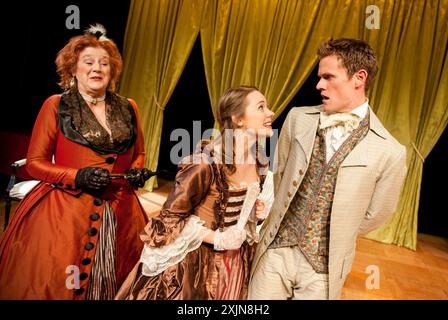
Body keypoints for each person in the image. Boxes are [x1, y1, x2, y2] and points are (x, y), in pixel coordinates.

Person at [0, 24, 153, 300]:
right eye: (89, 62)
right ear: (73, 69)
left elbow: (139, 152)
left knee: (118, 282)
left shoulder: (129, 107)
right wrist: (76, 175)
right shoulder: (56, 105)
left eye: (104, 63)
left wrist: (136, 171)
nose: (97, 68)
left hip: (122, 212)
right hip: (64, 213)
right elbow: (35, 162)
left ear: (112, 70)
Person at [249, 38, 407, 300]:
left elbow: (377, 213)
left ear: (359, 78)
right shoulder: (297, 119)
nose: (319, 85)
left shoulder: (390, 151)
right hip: (274, 253)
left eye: (328, 76)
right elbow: (279, 175)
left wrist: (338, 227)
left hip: (323, 271)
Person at [115, 85, 275, 300]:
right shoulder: (204, 164)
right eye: (261, 107)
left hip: (235, 261)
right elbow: (170, 219)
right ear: (238, 119)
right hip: (196, 262)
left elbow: (235, 213)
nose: (270, 112)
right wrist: (216, 238)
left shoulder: (259, 160)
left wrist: (253, 212)